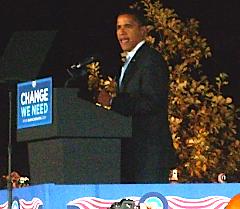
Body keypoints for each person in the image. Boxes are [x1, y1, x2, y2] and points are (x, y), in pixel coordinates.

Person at [97, 9, 177, 183]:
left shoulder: (150, 60)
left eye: (128, 26)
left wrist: (112, 101)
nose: (122, 32)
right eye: (118, 27)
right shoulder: (130, 61)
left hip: (149, 154)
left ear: (143, 31)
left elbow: (152, 102)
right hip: (132, 153)